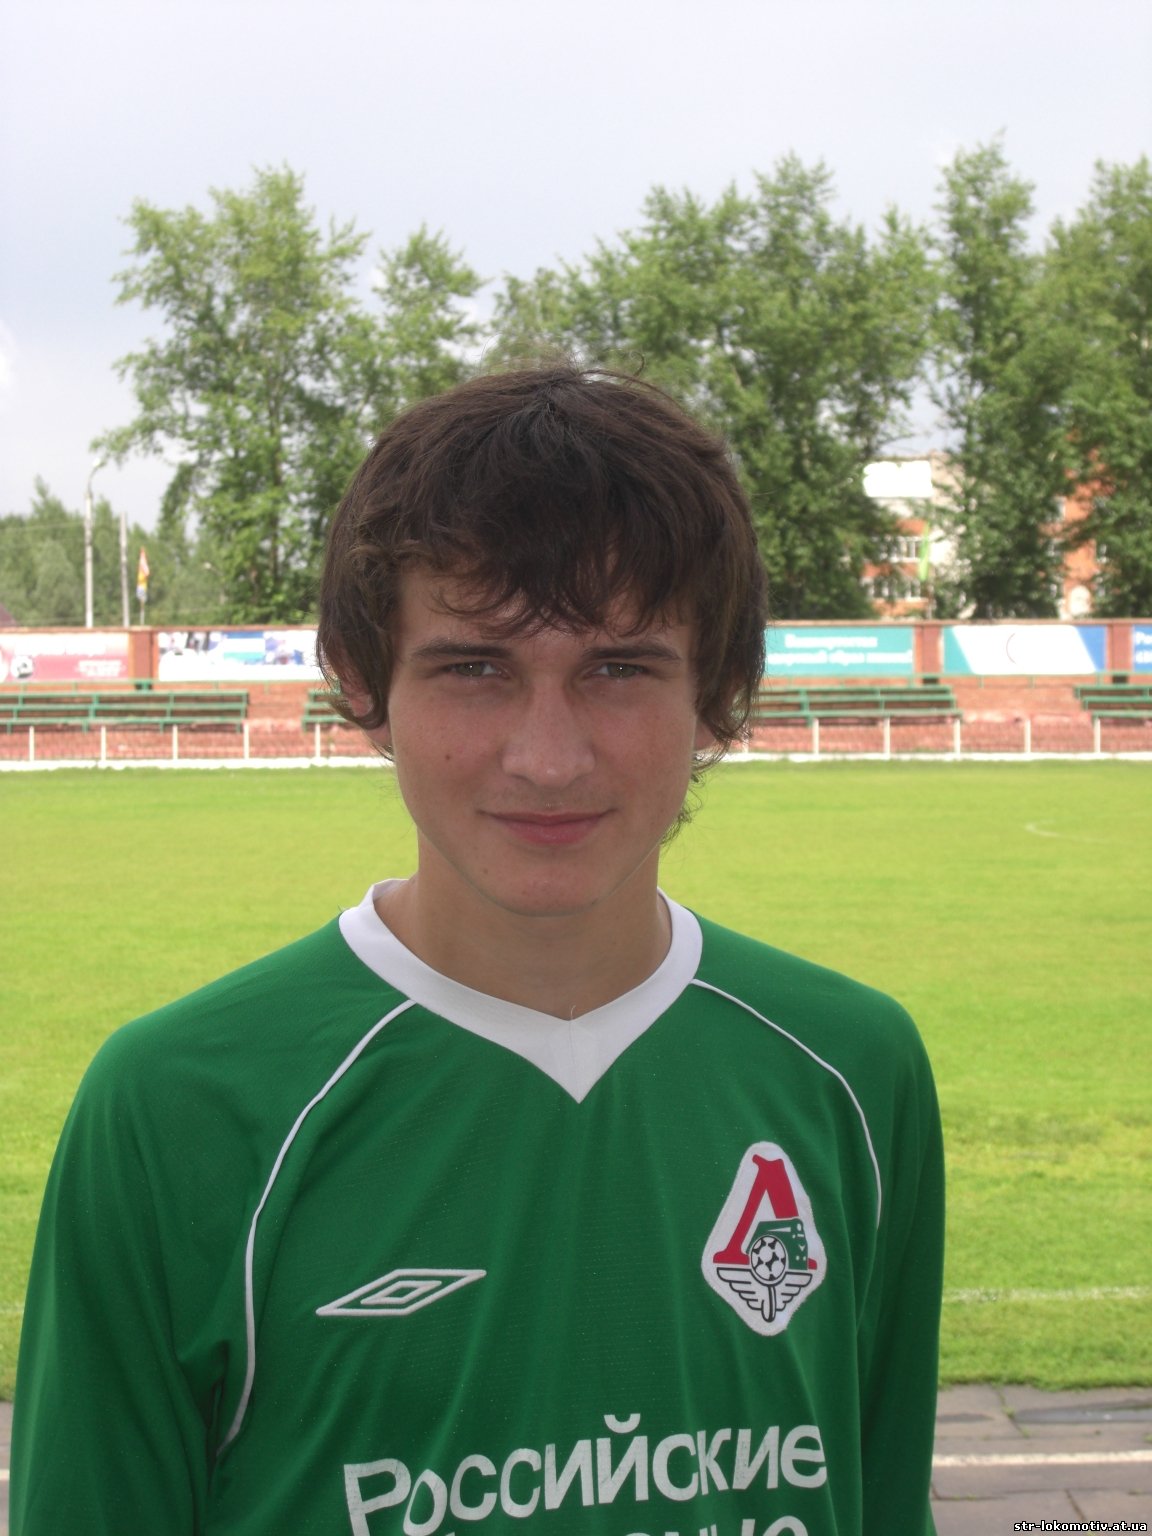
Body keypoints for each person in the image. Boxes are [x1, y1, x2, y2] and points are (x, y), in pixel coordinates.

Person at [11, 365, 944, 1536]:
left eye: (618, 669)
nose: (548, 758)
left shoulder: (852, 1070)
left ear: (718, 692)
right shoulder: (175, 1108)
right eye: (474, 668)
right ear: (364, 686)